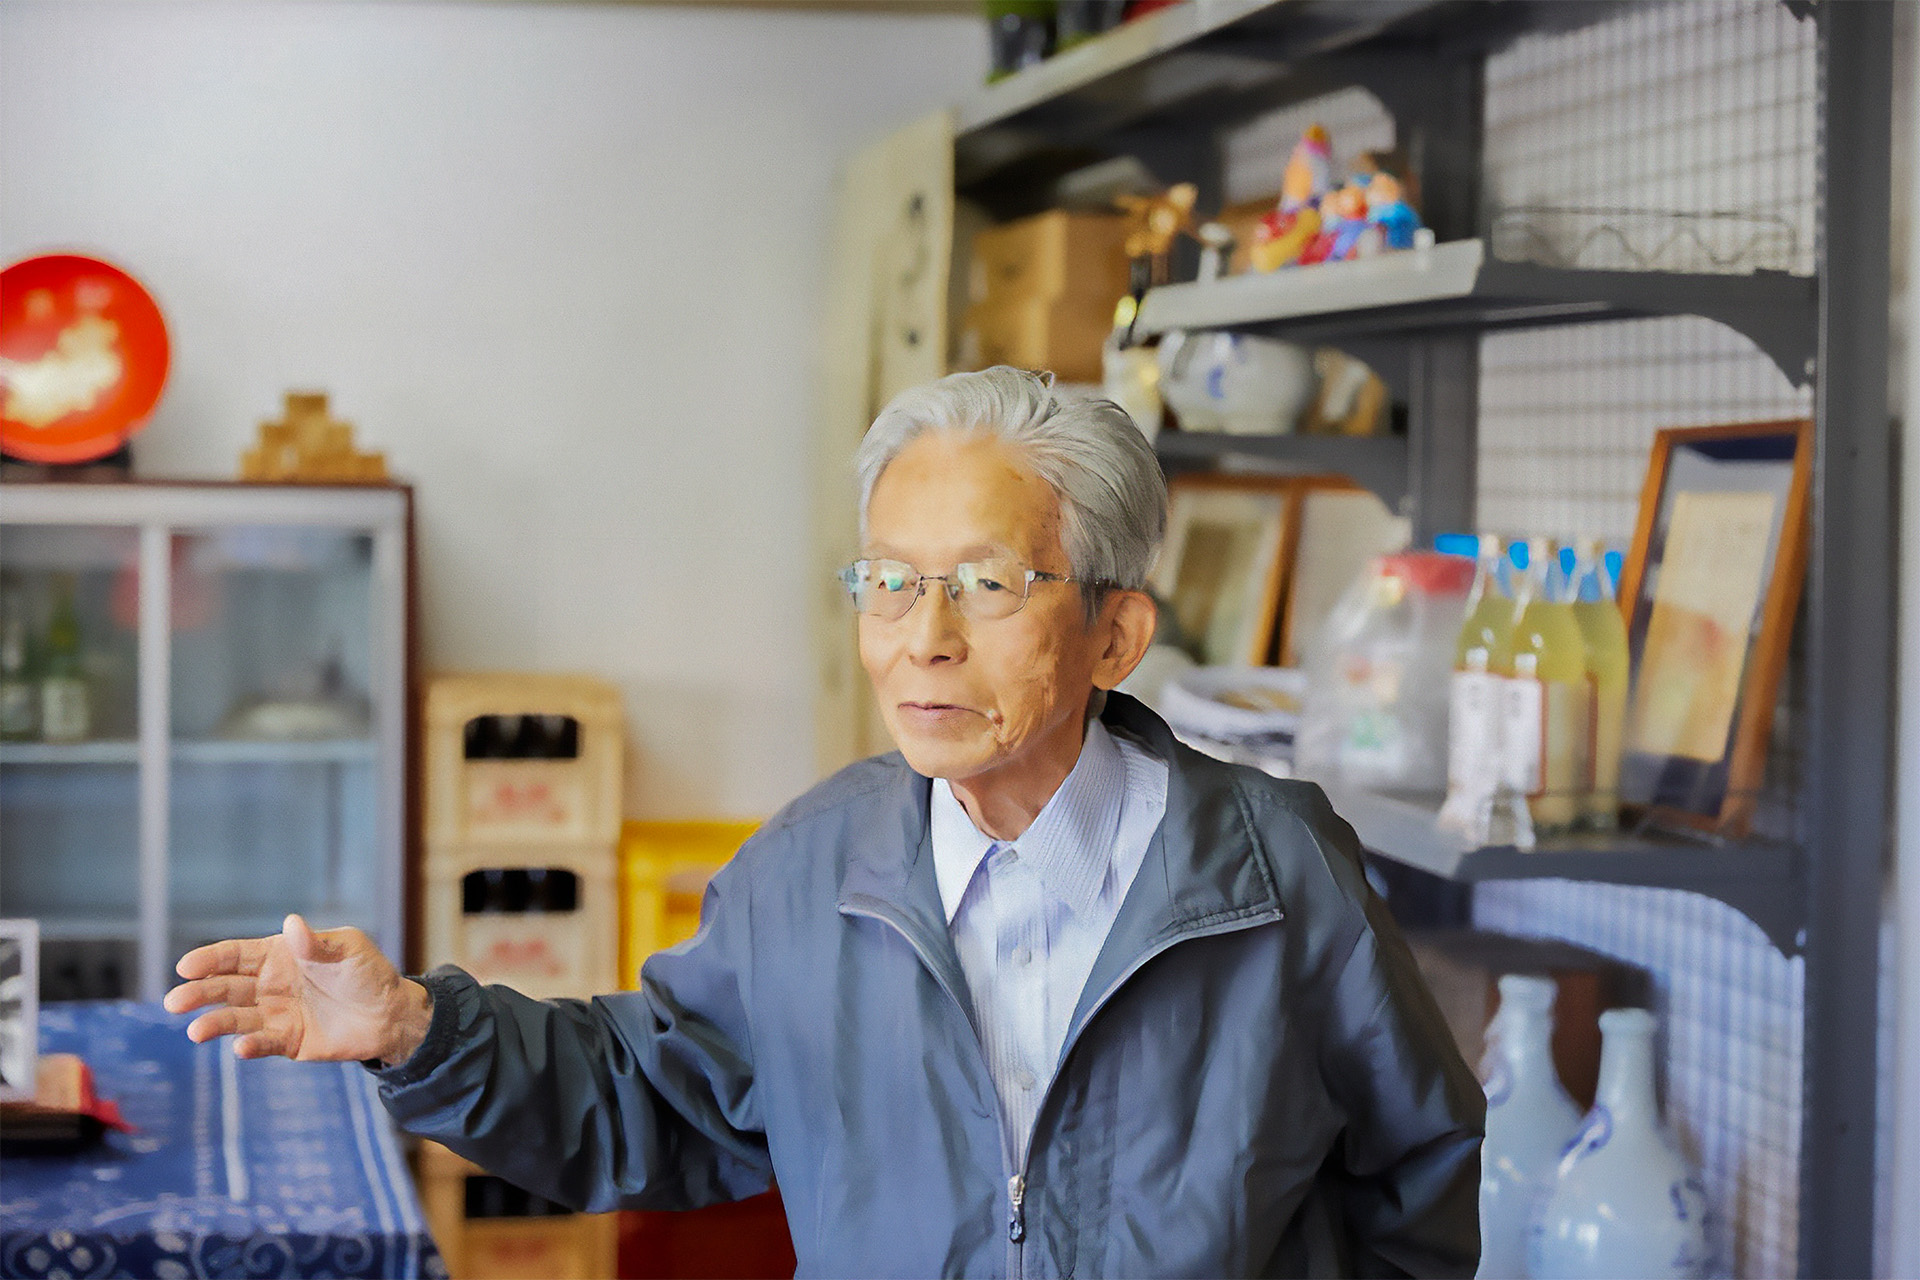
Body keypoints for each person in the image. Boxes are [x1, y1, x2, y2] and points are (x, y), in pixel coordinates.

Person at [166, 367, 1482, 1277]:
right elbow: (650, 1095)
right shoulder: (812, 869)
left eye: (985, 583)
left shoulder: (1269, 868)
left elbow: (1420, 1175)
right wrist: (414, 1031)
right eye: (889, 583)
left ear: (1115, 632)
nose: (926, 639)